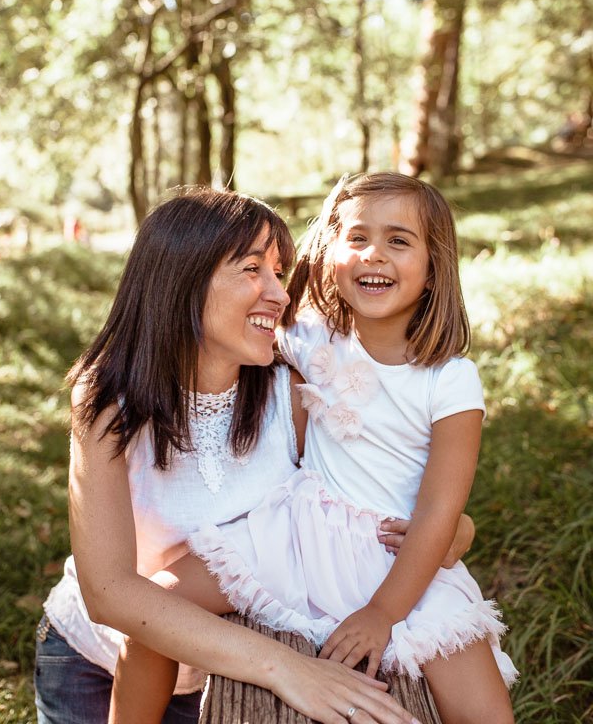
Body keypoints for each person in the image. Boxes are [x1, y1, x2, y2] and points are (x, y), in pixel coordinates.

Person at [110, 174, 514, 724]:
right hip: (297, 532)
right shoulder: (310, 334)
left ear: (434, 265)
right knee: (157, 608)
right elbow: (241, 307)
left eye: (399, 240)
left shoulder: (450, 379)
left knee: (487, 711)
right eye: (356, 239)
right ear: (329, 253)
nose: (375, 254)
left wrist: (383, 611)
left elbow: (442, 508)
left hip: (398, 557)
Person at [35, 187, 428, 724]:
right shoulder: (107, 401)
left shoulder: (292, 394)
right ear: (182, 281)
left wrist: (454, 531)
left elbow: (372, 495)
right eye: (251, 270)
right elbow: (109, 593)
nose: (280, 294)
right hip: (93, 662)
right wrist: (286, 668)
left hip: (222, 673)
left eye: (278, 271)